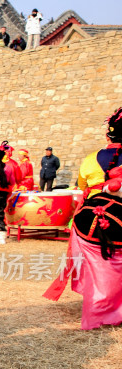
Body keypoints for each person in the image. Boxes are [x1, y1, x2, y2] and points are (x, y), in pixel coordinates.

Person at [45, 107, 122, 330]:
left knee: (96, 266)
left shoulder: (90, 159)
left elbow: (82, 187)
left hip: (92, 217)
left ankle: (97, 308)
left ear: (107, 136)